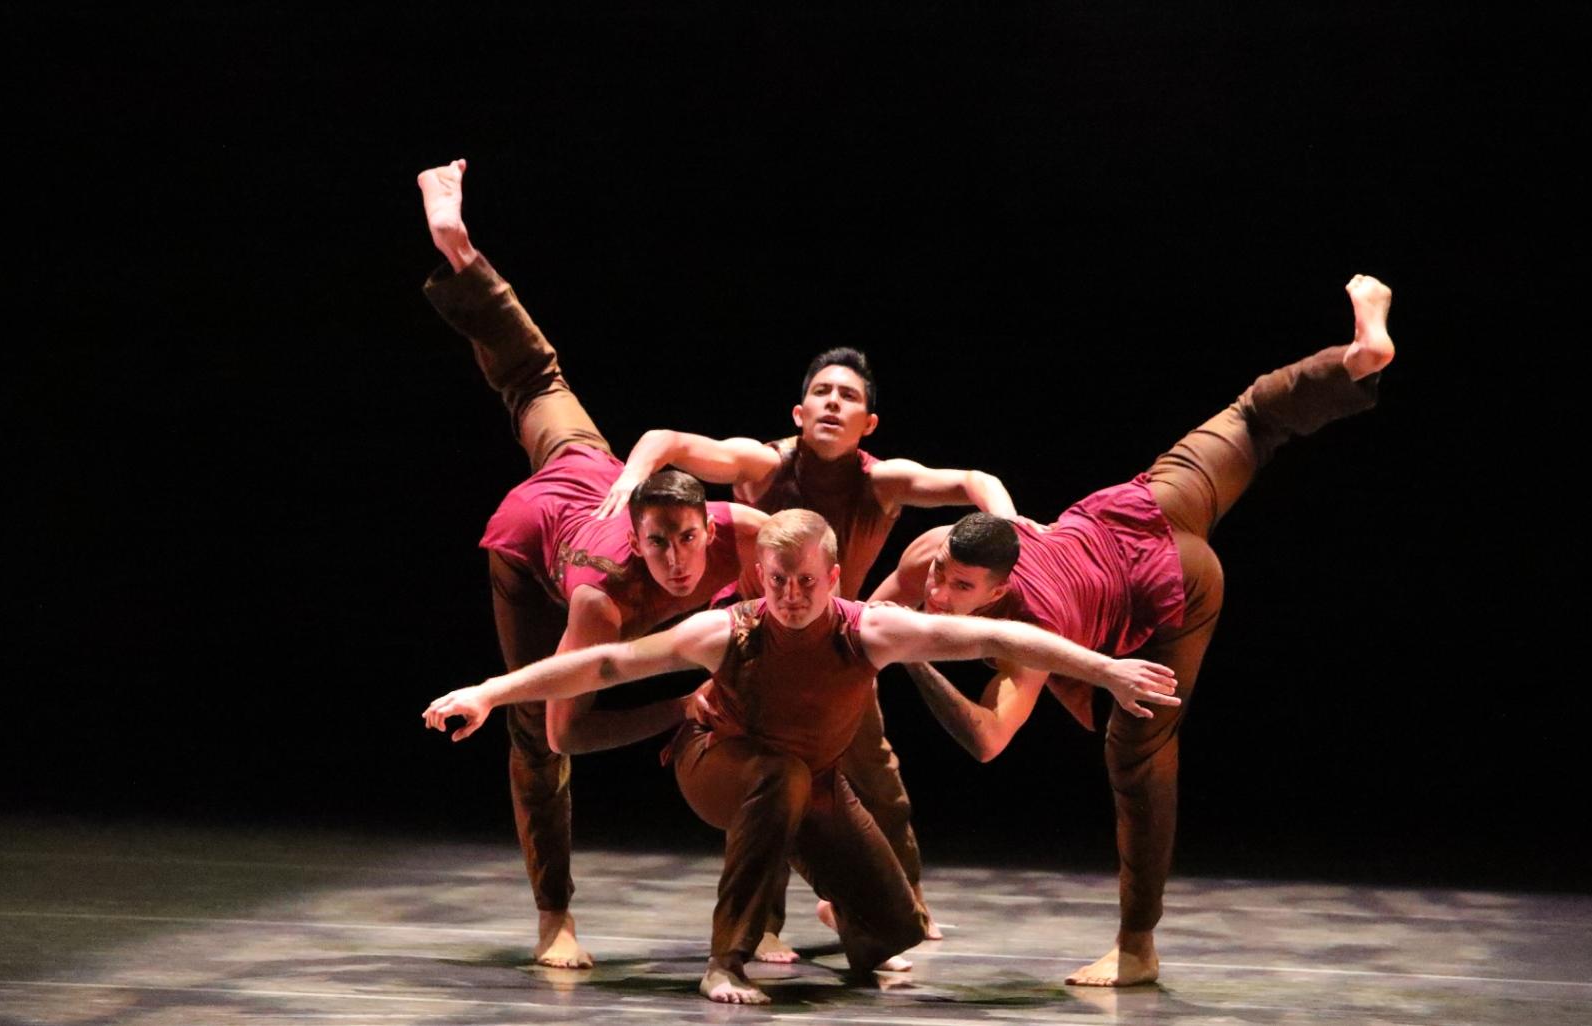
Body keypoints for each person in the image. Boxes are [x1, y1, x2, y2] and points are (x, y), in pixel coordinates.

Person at [867, 273, 1397, 988]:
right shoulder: (942, 551)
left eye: (961, 590)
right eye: (942, 579)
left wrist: (912, 659)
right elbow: (866, 618)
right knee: (1251, 417)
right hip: (1137, 507)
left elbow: (991, 740)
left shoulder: (1025, 628)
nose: (939, 592)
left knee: (1137, 758)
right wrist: (871, 640)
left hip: (1170, 587)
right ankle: (1354, 360)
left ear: (999, 586)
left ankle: (1137, 947)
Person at [424, 509, 1179, 1004]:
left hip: (809, 781)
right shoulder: (727, 631)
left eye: (806, 583)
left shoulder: (869, 630)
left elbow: (1000, 639)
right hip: (716, 759)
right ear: (763, 579)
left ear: (835, 580)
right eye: (778, 582)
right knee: (777, 778)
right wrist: (492, 690)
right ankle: (726, 959)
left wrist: (1104, 669)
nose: (790, 596)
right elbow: (606, 666)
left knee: (895, 928)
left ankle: (850, 926)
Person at [416, 158, 769, 968]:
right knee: (534, 741)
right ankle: (554, 918)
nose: (681, 562)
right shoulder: (604, 603)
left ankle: (458, 249)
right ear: (639, 540)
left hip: (588, 470)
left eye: (689, 539)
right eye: (661, 546)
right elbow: (567, 728)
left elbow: (804, 561)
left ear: (705, 524)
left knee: (536, 374)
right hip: (534, 545)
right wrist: (678, 707)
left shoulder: (740, 530)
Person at [592, 348, 1014, 948]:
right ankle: (761, 928)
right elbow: (664, 438)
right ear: (799, 410)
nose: (833, 403)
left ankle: (905, 905)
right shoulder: (762, 465)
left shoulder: (882, 480)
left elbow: (973, 481)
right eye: (822, 392)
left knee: (877, 776)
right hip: (754, 650)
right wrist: (631, 480)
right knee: (772, 786)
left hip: (834, 651)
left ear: (869, 423)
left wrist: (1008, 525)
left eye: (848, 396)